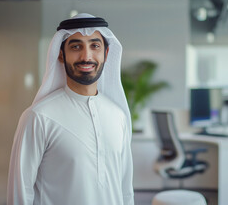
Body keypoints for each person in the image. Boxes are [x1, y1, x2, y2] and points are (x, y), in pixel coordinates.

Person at [7, 13, 134, 205]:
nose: (86, 56)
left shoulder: (118, 116)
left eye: (95, 46)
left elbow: (125, 188)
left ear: (106, 54)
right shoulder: (38, 117)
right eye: (76, 47)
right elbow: (20, 193)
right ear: (60, 54)